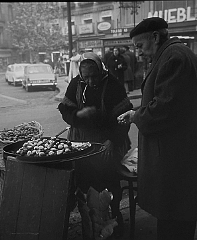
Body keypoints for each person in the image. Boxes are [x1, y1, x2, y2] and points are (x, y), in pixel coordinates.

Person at [117, 17, 197, 240]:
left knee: (174, 223)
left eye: (139, 46)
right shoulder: (172, 54)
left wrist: (137, 115)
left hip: (174, 160)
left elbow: (164, 109)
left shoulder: (174, 57)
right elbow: (165, 100)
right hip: (178, 157)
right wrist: (137, 110)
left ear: (155, 36)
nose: (138, 53)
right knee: (176, 219)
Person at [58, 52, 133, 239]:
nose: (91, 81)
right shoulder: (76, 84)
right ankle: (91, 224)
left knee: (107, 179)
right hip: (81, 139)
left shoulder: (113, 86)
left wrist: (112, 141)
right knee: (85, 182)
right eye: (86, 77)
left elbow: (124, 119)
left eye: (94, 76)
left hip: (107, 140)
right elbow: (65, 109)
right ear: (81, 74)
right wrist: (77, 116)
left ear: (101, 70)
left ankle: (113, 221)